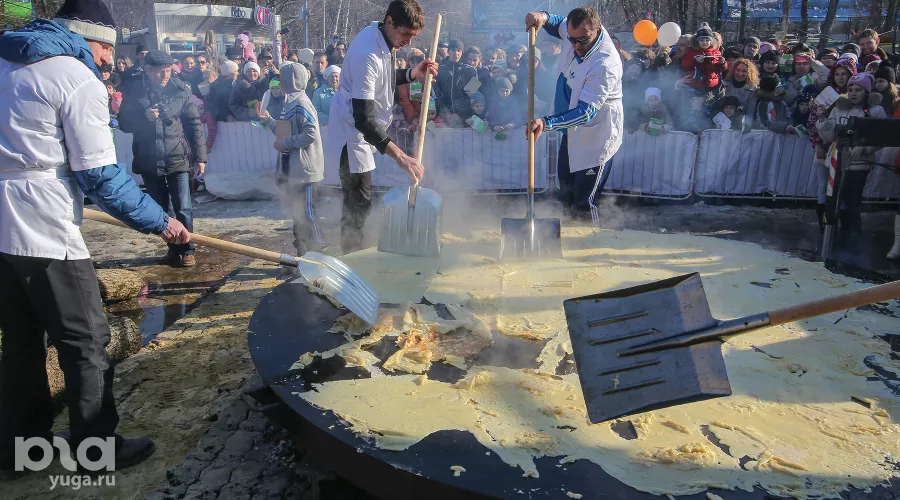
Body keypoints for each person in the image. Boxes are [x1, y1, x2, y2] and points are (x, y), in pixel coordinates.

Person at [0, 0, 192, 474]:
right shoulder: (74, 77)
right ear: (89, 38)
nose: (109, 60)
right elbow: (103, 176)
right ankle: (96, 450)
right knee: (87, 338)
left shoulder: (6, 61)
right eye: (107, 48)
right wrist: (162, 222)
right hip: (42, 226)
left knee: (20, 340)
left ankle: (17, 449)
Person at [325, 0, 437, 254]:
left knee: (361, 203)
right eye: (406, 34)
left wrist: (412, 74)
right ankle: (353, 261)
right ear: (389, 22)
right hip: (351, 133)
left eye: (413, 36)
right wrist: (401, 157)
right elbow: (363, 118)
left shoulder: (381, 36)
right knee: (358, 204)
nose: (409, 42)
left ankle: (356, 254)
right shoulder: (368, 54)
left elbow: (385, 78)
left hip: (362, 131)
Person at [525, 6, 624, 224]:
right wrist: (542, 16)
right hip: (572, 133)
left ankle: (589, 247)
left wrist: (546, 122)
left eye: (583, 41)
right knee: (566, 194)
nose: (576, 46)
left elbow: (586, 112)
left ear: (597, 30)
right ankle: (569, 240)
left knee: (584, 201)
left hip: (597, 136)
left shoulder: (605, 63)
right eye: (572, 40)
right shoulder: (574, 33)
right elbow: (556, 22)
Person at [118, 50, 207, 267]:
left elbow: (194, 125)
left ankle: (187, 249)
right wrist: (143, 117)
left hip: (176, 158)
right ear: (148, 71)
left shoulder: (181, 91)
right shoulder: (134, 91)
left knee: (183, 208)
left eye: (168, 71)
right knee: (160, 210)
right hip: (149, 160)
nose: (165, 76)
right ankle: (172, 250)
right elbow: (123, 124)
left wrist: (200, 157)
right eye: (160, 72)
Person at [259, 63, 326, 255]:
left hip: (305, 170)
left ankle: (320, 249)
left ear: (291, 80)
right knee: (297, 213)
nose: (280, 83)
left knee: (307, 212)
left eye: (283, 79)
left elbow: (311, 133)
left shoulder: (302, 103)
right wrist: (269, 121)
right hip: (291, 170)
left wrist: (286, 143)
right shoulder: (288, 103)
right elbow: (283, 133)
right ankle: (303, 251)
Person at [816, 73, 887, 236]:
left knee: (852, 200)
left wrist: (864, 148)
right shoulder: (839, 107)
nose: (853, 93)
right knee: (834, 199)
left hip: (859, 164)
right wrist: (821, 118)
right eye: (850, 89)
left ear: (867, 92)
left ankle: (853, 234)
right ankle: (831, 233)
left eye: (858, 90)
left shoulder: (876, 110)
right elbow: (828, 136)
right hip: (837, 162)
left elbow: (881, 137)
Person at [435, 39, 477, 128]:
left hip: (465, 117)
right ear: (448, 51)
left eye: (459, 50)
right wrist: (446, 114)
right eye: (453, 50)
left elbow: (473, 95)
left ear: (462, 52)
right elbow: (436, 94)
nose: (456, 53)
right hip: (445, 117)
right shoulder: (439, 70)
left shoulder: (471, 70)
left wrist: (460, 115)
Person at [680, 22, 727, 101]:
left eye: (707, 40)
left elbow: (720, 70)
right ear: (698, 41)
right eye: (701, 40)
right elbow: (685, 65)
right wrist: (695, 61)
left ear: (711, 41)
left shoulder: (716, 53)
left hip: (711, 86)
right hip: (696, 85)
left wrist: (723, 63)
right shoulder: (692, 52)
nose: (704, 42)